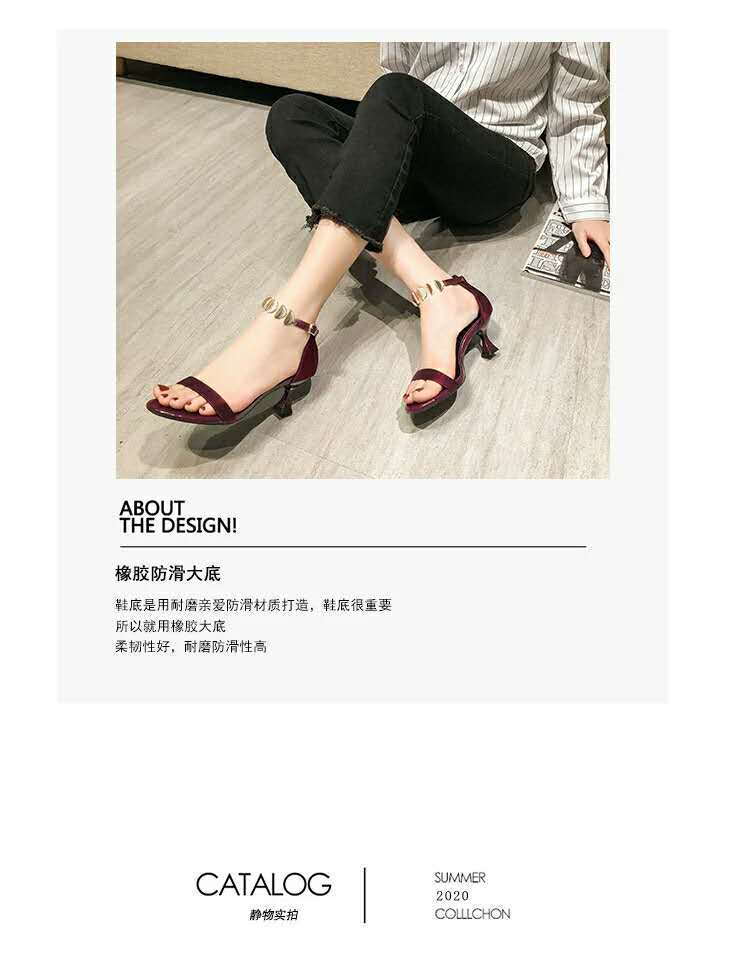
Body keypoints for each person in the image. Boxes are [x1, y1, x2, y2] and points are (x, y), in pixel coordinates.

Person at [147, 41, 609, 427]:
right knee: (291, 114)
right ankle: (439, 291)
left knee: (397, 92)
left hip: (492, 168)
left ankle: (286, 325)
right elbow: (395, 71)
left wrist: (586, 203)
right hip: (416, 151)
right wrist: (378, 155)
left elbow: (578, 101)